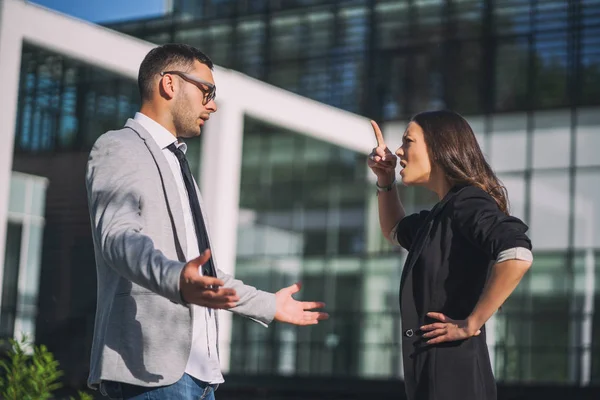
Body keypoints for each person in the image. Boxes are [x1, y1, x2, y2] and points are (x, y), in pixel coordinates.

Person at [85, 43, 328, 400]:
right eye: (207, 91)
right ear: (169, 84)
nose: (212, 104)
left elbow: (203, 275)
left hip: (201, 377)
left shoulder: (179, 165)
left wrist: (268, 305)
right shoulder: (119, 146)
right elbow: (118, 238)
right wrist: (176, 279)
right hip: (148, 373)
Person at [368, 110, 533, 400]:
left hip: (454, 382)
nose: (398, 150)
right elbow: (394, 229)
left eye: (408, 141)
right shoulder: (441, 216)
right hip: (436, 380)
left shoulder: (467, 202)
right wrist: (385, 180)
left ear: (439, 148)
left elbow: (517, 252)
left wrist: (471, 323)